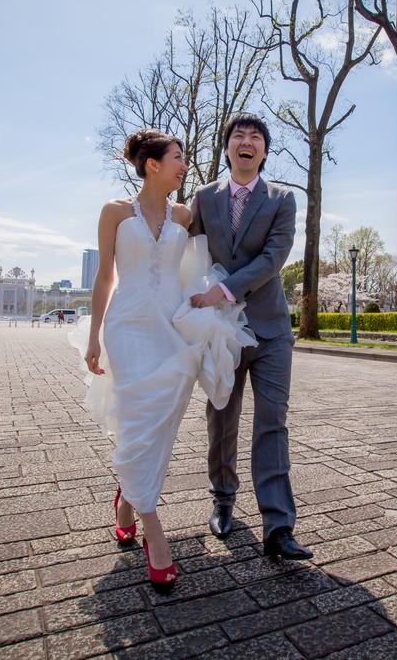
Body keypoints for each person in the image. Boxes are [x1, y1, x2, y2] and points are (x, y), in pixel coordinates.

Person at [70, 129, 254, 593]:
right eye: (178, 157)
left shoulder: (183, 214)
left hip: (172, 326)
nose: (185, 165)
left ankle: (127, 502)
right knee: (136, 415)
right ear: (153, 164)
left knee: (162, 417)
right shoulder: (114, 212)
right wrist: (93, 336)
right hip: (128, 323)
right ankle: (154, 533)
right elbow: (105, 277)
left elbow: (205, 255)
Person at [188, 112, 312, 560]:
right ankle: (222, 499)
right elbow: (186, 251)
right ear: (226, 147)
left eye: (255, 137)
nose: (247, 141)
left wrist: (222, 290)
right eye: (238, 135)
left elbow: (273, 258)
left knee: (271, 422)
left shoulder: (282, 199)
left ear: (263, 150)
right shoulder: (204, 198)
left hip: (272, 330)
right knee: (222, 415)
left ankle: (278, 527)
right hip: (222, 332)